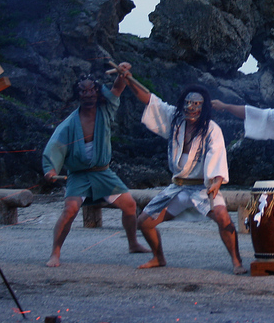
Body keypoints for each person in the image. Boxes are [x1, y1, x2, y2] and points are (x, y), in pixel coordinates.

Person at [118, 65, 246, 274]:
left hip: (202, 188)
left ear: (203, 107)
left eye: (196, 104)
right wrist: (129, 80)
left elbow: (217, 155)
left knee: (223, 217)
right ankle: (158, 258)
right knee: (144, 222)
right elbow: (151, 101)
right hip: (177, 187)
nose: (191, 108)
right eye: (188, 104)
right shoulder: (175, 120)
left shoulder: (212, 129)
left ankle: (237, 262)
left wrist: (217, 181)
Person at [42, 70, 149, 267]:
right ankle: (55, 253)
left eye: (92, 90)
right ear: (78, 94)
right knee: (70, 210)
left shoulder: (106, 110)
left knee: (130, 205)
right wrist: (50, 170)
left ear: (97, 92)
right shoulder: (69, 124)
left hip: (103, 172)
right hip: (79, 175)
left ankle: (133, 243)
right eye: (83, 91)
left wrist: (122, 72)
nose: (88, 94)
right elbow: (55, 146)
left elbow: (117, 87)